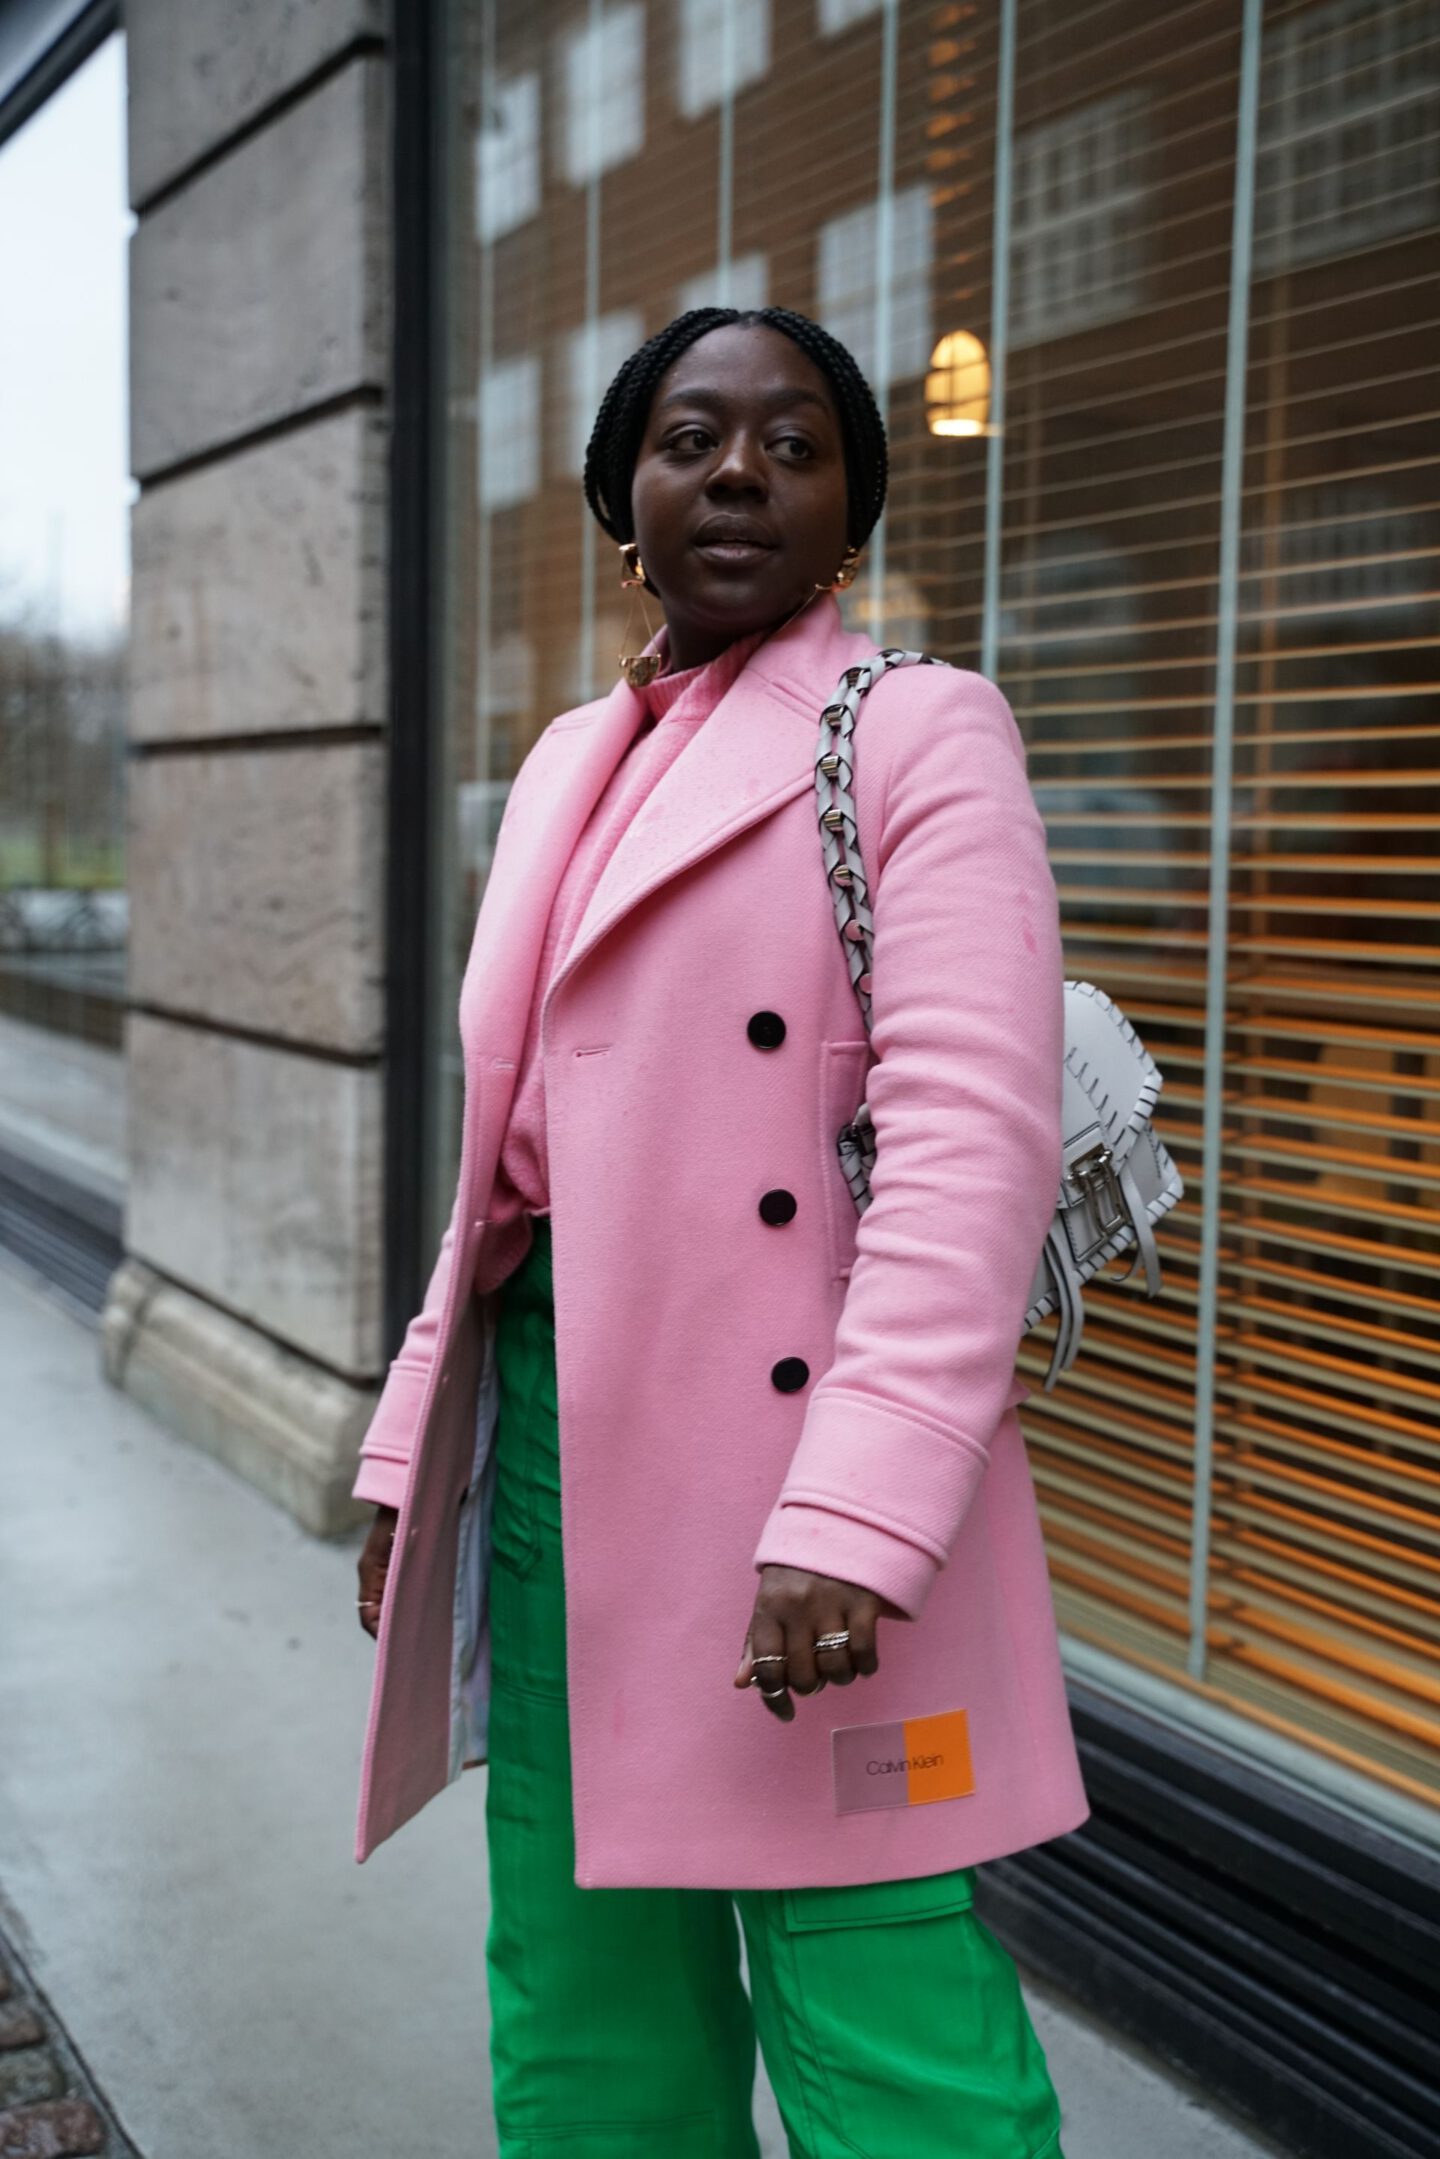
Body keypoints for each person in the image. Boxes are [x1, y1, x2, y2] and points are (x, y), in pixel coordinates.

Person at [351, 305, 1087, 2158]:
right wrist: (408, 1447)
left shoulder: (918, 729)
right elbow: (505, 1163)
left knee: (892, 2031)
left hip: (810, 1460)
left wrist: (857, 1510)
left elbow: (965, 1161)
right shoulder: (567, 764)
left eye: (792, 440)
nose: (739, 470)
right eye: (691, 437)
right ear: (627, 497)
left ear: (849, 507)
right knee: (590, 2004)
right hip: (554, 1450)